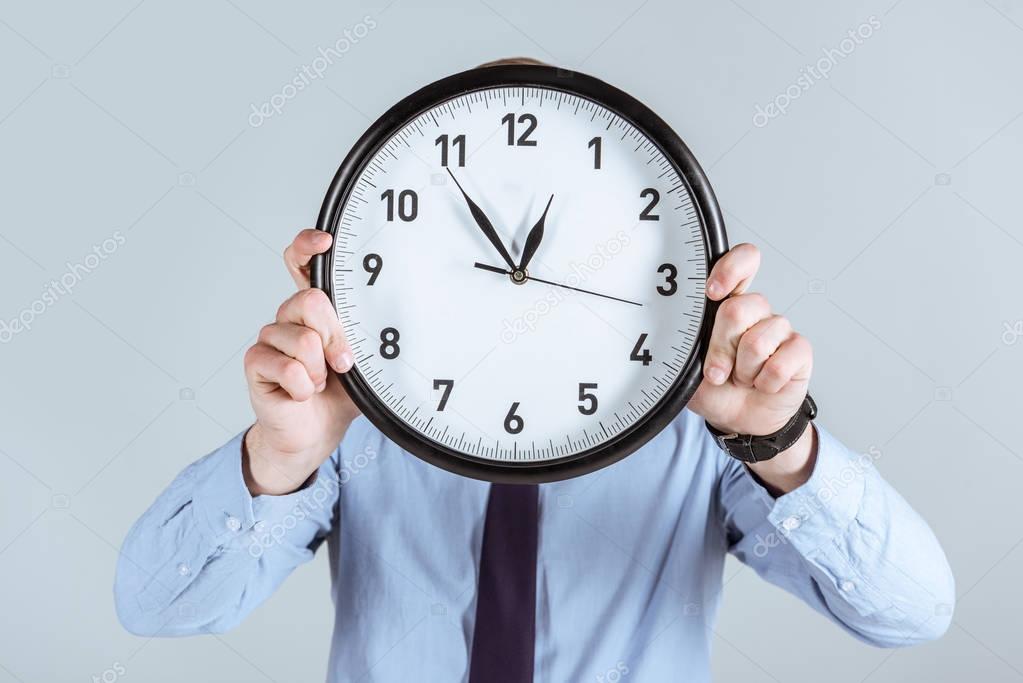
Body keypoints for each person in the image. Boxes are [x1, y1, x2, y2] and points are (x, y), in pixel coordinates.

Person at [114, 61, 954, 683]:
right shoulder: (361, 416)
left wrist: (775, 440)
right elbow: (154, 606)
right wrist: (279, 455)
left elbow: (911, 611)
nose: (519, 280)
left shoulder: (701, 430)